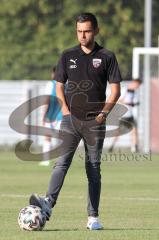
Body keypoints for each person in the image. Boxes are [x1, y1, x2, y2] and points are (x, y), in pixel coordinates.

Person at [29, 12, 122, 230]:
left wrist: (103, 114)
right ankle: (48, 203)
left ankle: (93, 218)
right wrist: (64, 108)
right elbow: (59, 85)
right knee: (61, 163)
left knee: (93, 168)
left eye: (87, 31)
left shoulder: (107, 56)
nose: (82, 35)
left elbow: (116, 90)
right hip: (71, 120)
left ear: (96, 31)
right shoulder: (67, 55)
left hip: (95, 123)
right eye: (79, 31)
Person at [108, 78, 141, 153]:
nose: (137, 87)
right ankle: (112, 146)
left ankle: (135, 147)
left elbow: (135, 102)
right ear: (134, 83)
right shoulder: (124, 90)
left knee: (134, 131)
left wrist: (134, 103)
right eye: (137, 85)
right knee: (118, 132)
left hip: (131, 115)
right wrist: (128, 103)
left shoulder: (135, 93)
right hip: (124, 115)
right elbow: (119, 100)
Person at [39, 66, 62, 166]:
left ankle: (46, 160)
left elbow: (47, 100)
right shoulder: (66, 85)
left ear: (53, 74)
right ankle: (61, 161)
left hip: (51, 115)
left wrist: (43, 115)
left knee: (47, 136)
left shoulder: (50, 84)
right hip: (62, 115)